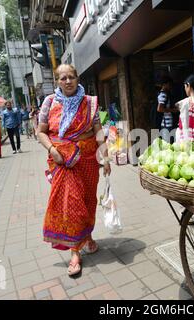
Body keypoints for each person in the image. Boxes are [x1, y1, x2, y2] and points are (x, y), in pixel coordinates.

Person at [37, 64, 111, 276]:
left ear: (78, 79)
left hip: (87, 160)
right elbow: (40, 132)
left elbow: (98, 132)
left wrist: (105, 158)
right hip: (63, 161)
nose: (68, 81)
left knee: (88, 201)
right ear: (57, 82)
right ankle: (75, 252)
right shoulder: (49, 102)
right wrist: (52, 149)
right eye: (63, 78)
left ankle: (86, 236)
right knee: (72, 204)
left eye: (71, 77)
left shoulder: (89, 102)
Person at [157, 76, 177, 143]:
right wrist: (172, 110)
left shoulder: (163, 93)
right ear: (164, 84)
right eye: (169, 84)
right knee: (168, 143)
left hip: (167, 123)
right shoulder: (163, 94)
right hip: (167, 124)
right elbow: (159, 109)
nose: (170, 86)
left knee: (168, 142)